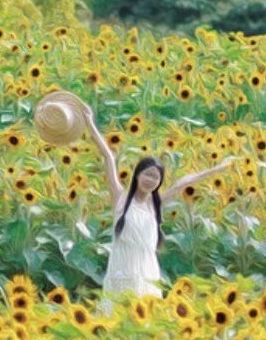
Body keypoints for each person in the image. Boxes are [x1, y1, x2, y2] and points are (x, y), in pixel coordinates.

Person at [76, 98, 237, 309]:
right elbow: (108, 157)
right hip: (122, 270)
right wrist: (89, 122)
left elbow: (185, 181)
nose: (150, 180)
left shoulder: (155, 205)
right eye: (147, 175)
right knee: (117, 317)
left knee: (146, 319)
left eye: (155, 177)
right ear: (137, 176)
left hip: (147, 272)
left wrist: (217, 169)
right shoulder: (121, 198)